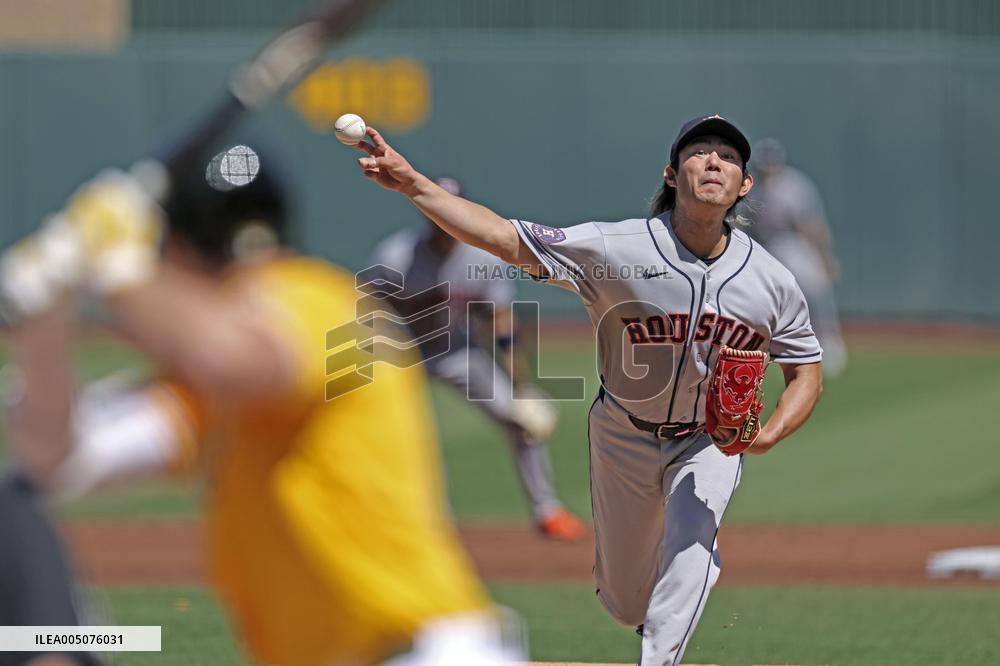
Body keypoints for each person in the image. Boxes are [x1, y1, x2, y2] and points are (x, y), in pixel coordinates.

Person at [0, 139, 521, 665]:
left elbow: (233, 359)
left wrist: (118, 269)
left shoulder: (321, 303)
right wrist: (47, 316)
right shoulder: (210, 384)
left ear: (178, 245)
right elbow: (57, 460)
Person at [351, 114, 824, 666]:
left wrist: (769, 433)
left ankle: (661, 654)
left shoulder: (771, 279)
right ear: (672, 174)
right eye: (700, 152)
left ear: (745, 185)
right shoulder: (614, 247)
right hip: (622, 431)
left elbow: (805, 369)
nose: (714, 161)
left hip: (707, 441)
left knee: (692, 539)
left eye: (729, 156)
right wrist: (412, 183)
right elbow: (504, 238)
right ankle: (655, 608)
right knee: (625, 602)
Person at [369, 176, 585, 541]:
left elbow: (499, 320)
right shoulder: (397, 257)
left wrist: (521, 385)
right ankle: (382, 516)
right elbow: (367, 313)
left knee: (520, 421)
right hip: (400, 354)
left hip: (456, 351)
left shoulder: (481, 258)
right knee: (379, 430)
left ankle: (547, 510)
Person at [746, 138, 847, 377]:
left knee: (815, 290)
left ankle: (829, 341)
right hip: (765, 247)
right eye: (764, 166)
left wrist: (823, 256)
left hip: (795, 244)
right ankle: (763, 347)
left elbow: (811, 225)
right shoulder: (753, 189)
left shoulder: (795, 186)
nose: (768, 170)